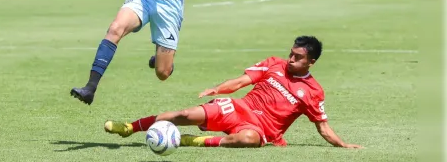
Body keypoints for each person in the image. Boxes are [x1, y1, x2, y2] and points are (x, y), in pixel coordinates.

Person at [103, 36, 363, 149]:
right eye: (291, 53)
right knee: (184, 113)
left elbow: (323, 126)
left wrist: (343, 144)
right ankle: (130, 127)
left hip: (261, 129)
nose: (290, 59)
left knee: (249, 140)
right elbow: (240, 82)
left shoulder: (313, 92)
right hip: (240, 108)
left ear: (311, 62)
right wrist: (218, 88)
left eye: (297, 57)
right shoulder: (274, 63)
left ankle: (193, 141)